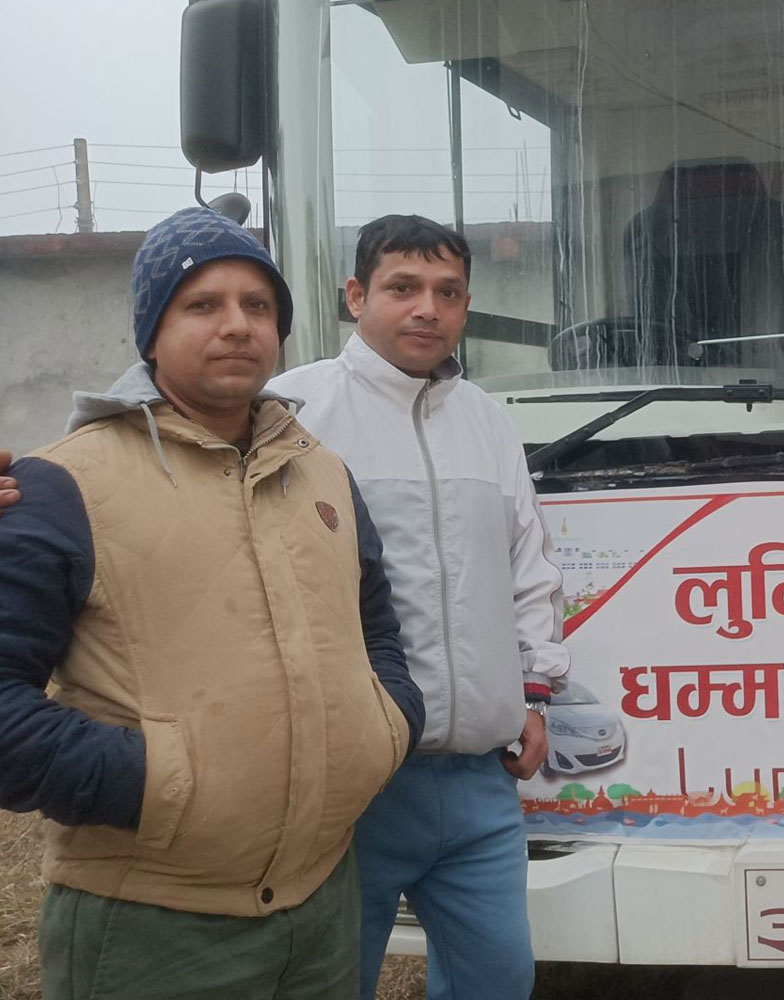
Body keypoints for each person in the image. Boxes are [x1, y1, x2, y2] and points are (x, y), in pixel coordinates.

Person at [0, 207, 423, 1000]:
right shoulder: (62, 485)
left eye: (257, 305)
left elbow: (376, 628)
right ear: (151, 333)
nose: (237, 325)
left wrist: (386, 724)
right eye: (203, 304)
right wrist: (155, 782)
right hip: (154, 926)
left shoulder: (323, 472)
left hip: (323, 903)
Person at [271, 214, 568, 1000]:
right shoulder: (289, 412)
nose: (427, 309)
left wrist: (535, 694)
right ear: (356, 295)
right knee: (333, 984)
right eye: (402, 287)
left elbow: (530, 570)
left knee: (497, 980)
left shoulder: (488, 420)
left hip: (479, 783)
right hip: (353, 786)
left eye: (448, 292)